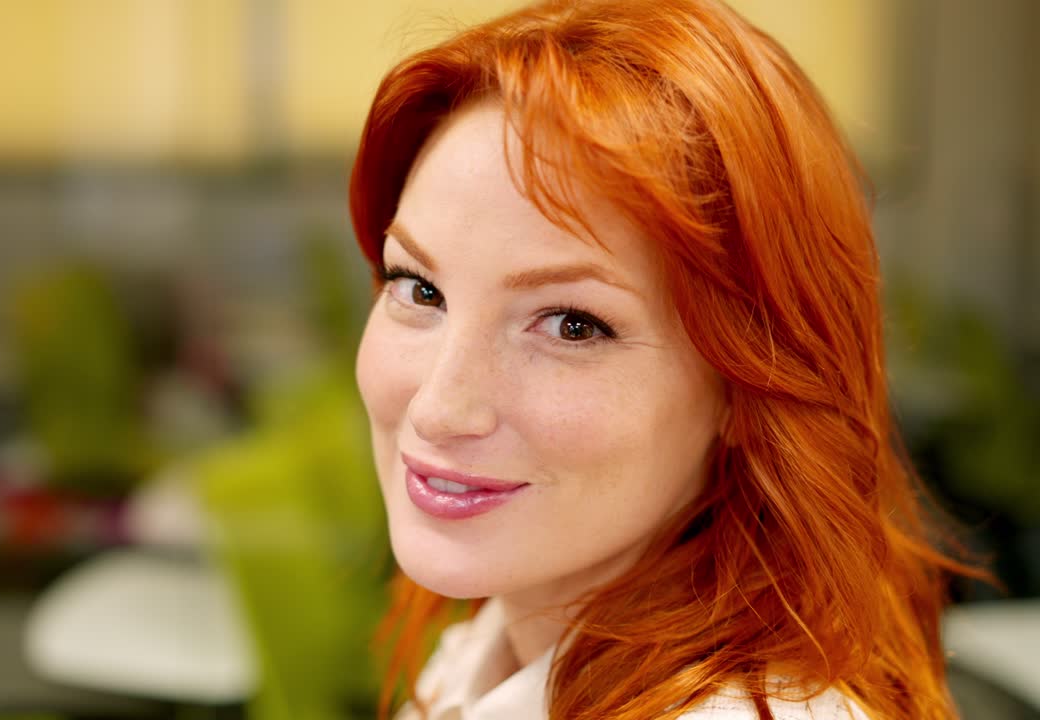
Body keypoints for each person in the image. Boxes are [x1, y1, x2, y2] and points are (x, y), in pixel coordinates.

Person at [348, 1, 978, 719]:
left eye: (573, 326)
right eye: (419, 288)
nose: (438, 408)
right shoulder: (496, 647)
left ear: (747, 385)